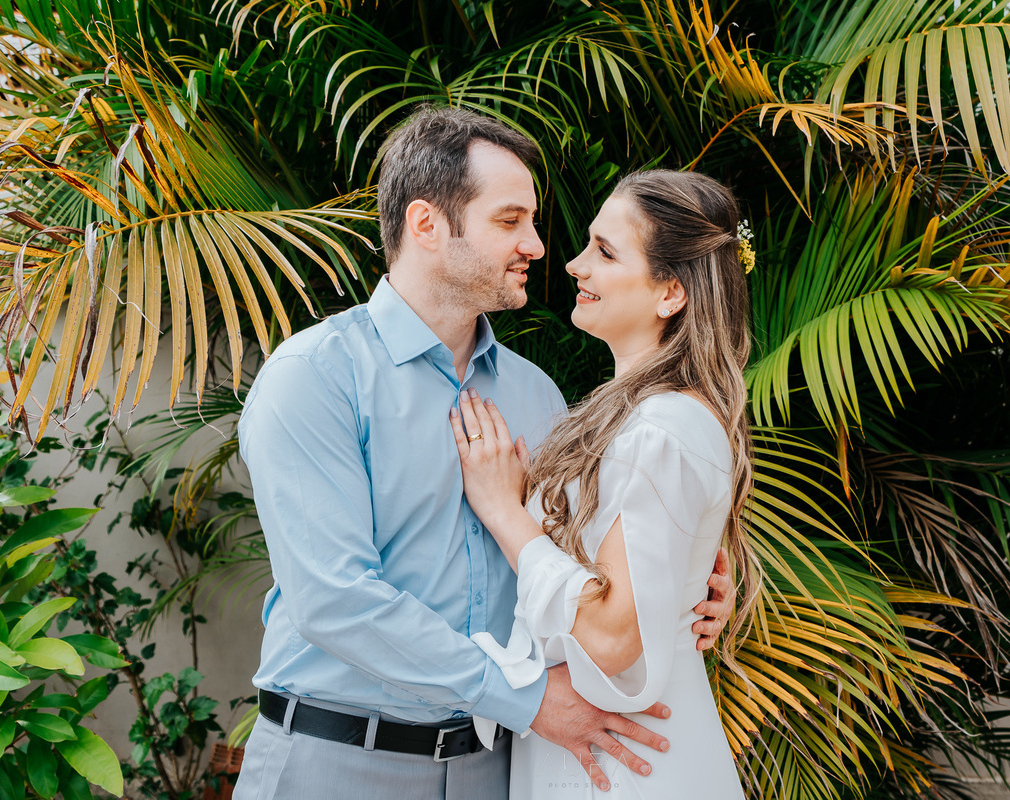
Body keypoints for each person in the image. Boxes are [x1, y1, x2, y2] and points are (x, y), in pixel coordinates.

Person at [233, 107, 735, 800]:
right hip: (338, 761)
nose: (537, 243)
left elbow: (582, 569)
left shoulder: (542, 398)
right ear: (426, 225)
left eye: (532, 220)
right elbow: (336, 600)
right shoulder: (315, 376)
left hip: (495, 771)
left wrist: (682, 592)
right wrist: (525, 698)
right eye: (509, 221)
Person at [449, 169, 758, 799]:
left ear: (670, 292)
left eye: (605, 252)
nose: (572, 264)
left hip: (625, 761)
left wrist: (505, 512)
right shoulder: (633, 415)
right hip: (601, 747)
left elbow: (614, 638)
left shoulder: (664, 427)